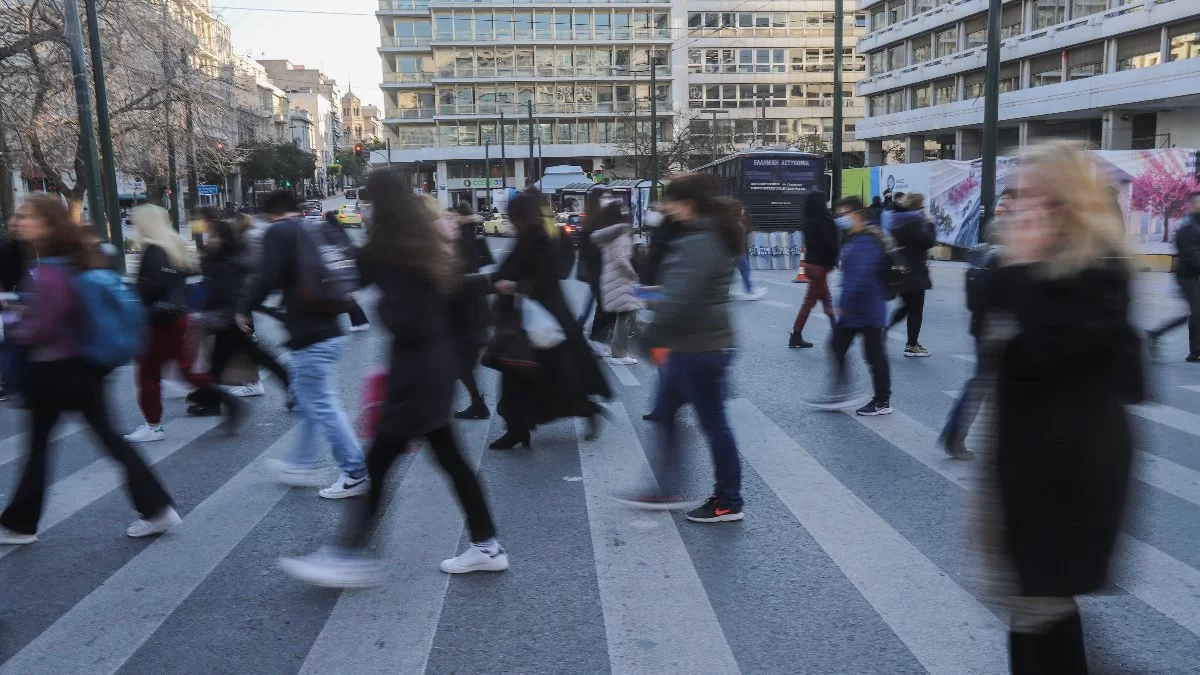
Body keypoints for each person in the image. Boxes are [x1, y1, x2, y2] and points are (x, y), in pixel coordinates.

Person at [278, 178, 505, 587]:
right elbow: (447, 289)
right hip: (430, 369)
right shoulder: (419, 248)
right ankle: (487, 545)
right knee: (449, 461)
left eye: (367, 204)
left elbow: (360, 290)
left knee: (379, 464)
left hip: (416, 374)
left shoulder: (389, 252)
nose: (362, 212)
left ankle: (348, 553)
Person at [976, 142, 1141, 673]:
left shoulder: (1099, 272)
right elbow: (988, 335)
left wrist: (1022, 269)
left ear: (1062, 203)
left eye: (1024, 195)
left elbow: (1053, 353)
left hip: (1071, 471)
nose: (1009, 207)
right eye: (1011, 194)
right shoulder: (1016, 265)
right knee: (1033, 608)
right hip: (1020, 460)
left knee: (1040, 606)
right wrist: (1015, 268)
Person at [0, 195, 180, 545]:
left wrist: (16, 322)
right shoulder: (74, 259)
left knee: (44, 448)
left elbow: (44, 327)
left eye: (27, 217)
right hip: (82, 367)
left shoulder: (51, 269)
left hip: (55, 371)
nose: (19, 222)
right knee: (104, 440)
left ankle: (21, 524)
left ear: (48, 224)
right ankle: (157, 508)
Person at [615, 174, 745, 522]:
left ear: (687, 204)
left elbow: (681, 299)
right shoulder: (706, 235)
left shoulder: (702, 241)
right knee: (669, 414)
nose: (666, 208)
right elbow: (687, 291)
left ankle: (727, 501)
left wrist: (647, 336)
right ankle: (670, 488)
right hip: (696, 343)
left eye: (670, 201)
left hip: (698, 347)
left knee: (713, 424)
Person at [238, 190, 368, 499]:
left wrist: (244, 307)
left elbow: (267, 276)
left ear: (270, 213)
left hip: (311, 332)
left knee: (321, 403)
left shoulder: (280, 231)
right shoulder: (316, 227)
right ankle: (300, 462)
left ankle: (355, 470)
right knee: (310, 400)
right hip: (329, 327)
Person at [489, 190, 611, 450]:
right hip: (531, 318)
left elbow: (547, 279)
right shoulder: (531, 236)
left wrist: (515, 286)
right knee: (523, 378)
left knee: (538, 378)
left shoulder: (537, 238)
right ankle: (518, 428)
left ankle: (524, 427)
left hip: (540, 320)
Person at [125, 205, 239, 442]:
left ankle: (153, 426)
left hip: (157, 321)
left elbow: (150, 287)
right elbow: (186, 276)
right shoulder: (174, 243)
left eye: (136, 222)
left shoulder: (152, 249)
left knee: (148, 375)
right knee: (185, 370)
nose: (134, 227)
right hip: (177, 317)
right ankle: (227, 399)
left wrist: (137, 298)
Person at [186, 217, 291, 416]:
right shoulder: (222, 258)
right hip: (229, 320)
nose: (210, 239)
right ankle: (210, 399)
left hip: (233, 320)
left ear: (224, 238)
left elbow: (231, 293)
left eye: (214, 236)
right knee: (226, 359)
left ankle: (211, 399)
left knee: (257, 356)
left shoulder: (231, 261)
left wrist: (233, 314)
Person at [940, 188, 1015, 459]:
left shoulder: (981, 252)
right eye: (1002, 209)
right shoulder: (1005, 254)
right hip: (1001, 328)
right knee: (988, 382)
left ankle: (956, 433)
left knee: (984, 382)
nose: (1003, 213)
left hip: (984, 326)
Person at [810, 196, 892, 416]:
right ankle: (840, 393)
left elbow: (860, 277)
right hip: (859, 309)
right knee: (839, 347)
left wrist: (842, 307)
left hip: (866, 308)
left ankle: (882, 401)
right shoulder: (855, 238)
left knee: (873, 354)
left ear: (856, 215)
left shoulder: (865, 240)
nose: (839, 219)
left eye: (842, 214)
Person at [450, 201, 493, 420]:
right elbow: (487, 263)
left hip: (466, 309)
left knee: (459, 363)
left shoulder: (458, 240)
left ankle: (478, 404)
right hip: (477, 306)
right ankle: (477, 403)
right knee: (462, 362)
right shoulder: (475, 236)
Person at [1147, 191, 1200, 363]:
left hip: (1194, 275)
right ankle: (1195, 352)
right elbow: (1192, 255)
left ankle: (1156, 333)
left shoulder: (1196, 225)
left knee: (1193, 313)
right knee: (1196, 313)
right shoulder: (1187, 228)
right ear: (1192, 205)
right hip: (1188, 277)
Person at [590, 199, 641, 365]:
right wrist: (633, 274)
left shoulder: (610, 233)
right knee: (625, 317)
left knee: (623, 316)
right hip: (621, 280)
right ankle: (619, 354)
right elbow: (621, 259)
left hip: (612, 279)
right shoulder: (621, 234)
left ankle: (611, 348)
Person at [885, 192, 936, 357]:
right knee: (915, 309)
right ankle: (912, 345)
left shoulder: (895, 218)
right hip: (914, 270)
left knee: (907, 306)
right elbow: (927, 242)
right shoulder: (915, 220)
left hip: (899, 268)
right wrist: (930, 225)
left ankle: (884, 330)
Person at [789, 191, 839, 348]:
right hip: (820, 265)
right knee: (810, 302)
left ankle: (838, 330)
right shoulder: (824, 220)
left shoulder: (807, 219)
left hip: (810, 264)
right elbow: (830, 243)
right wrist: (836, 258)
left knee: (825, 298)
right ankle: (796, 334)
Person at [576, 188, 616, 353]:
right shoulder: (593, 223)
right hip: (598, 271)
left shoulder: (600, 220)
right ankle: (595, 338)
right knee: (604, 306)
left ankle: (581, 331)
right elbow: (590, 250)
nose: (608, 200)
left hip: (601, 271)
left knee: (597, 304)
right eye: (604, 197)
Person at [733, 208, 767, 301]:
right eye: (742, 212)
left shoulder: (739, 223)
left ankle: (749, 290)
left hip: (739, 252)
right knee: (745, 270)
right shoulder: (736, 224)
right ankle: (749, 291)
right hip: (737, 252)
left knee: (744, 271)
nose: (744, 215)